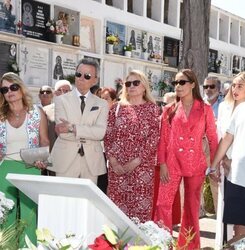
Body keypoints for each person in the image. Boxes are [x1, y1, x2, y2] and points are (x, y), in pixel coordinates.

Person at [154, 69, 218, 249]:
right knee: (162, 204)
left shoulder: (205, 110)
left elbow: (212, 139)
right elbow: (163, 140)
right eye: (175, 83)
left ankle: (189, 246)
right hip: (172, 163)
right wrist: (163, 164)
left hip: (195, 164)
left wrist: (214, 165)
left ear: (192, 84)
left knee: (191, 209)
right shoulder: (169, 109)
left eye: (182, 82)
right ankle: (161, 244)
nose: (178, 86)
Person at [0, 72, 49, 246]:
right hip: (4, 169)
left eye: (13, 87)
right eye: (4, 89)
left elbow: (44, 140)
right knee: (6, 213)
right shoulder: (0, 115)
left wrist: (42, 159)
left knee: (30, 213)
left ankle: (29, 247)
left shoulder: (36, 112)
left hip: (30, 167)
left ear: (20, 88)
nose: (9, 92)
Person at [104, 70, 160, 222]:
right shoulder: (116, 108)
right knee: (116, 213)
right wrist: (113, 161)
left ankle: (138, 245)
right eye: (128, 83)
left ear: (144, 87)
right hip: (117, 169)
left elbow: (153, 138)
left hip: (142, 170)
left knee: (140, 213)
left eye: (136, 83)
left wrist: (136, 161)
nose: (131, 86)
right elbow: (108, 136)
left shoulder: (152, 109)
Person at [50, 58, 109, 183]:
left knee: (86, 201)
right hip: (65, 159)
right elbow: (63, 133)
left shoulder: (102, 104)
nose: (81, 78)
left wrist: (73, 128)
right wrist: (89, 133)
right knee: (64, 199)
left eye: (87, 76)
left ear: (95, 80)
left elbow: (100, 133)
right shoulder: (61, 100)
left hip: (91, 162)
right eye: (78, 74)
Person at [215, 72, 245, 249]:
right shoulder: (242, 109)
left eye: (240, 85)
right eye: (234, 85)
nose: (235, 89)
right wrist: (215, 164)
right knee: (239, 231)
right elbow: (227, 138)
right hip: (237, 178)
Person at [203, 76, 223, 214]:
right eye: (206, 87)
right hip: (199, 151)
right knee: (195, 188)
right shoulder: (198, 104)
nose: (208, 90)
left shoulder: (225, 107)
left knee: (217, 186)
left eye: (212, 86)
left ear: (219, 89)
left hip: (217, 152)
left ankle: (220, 221)